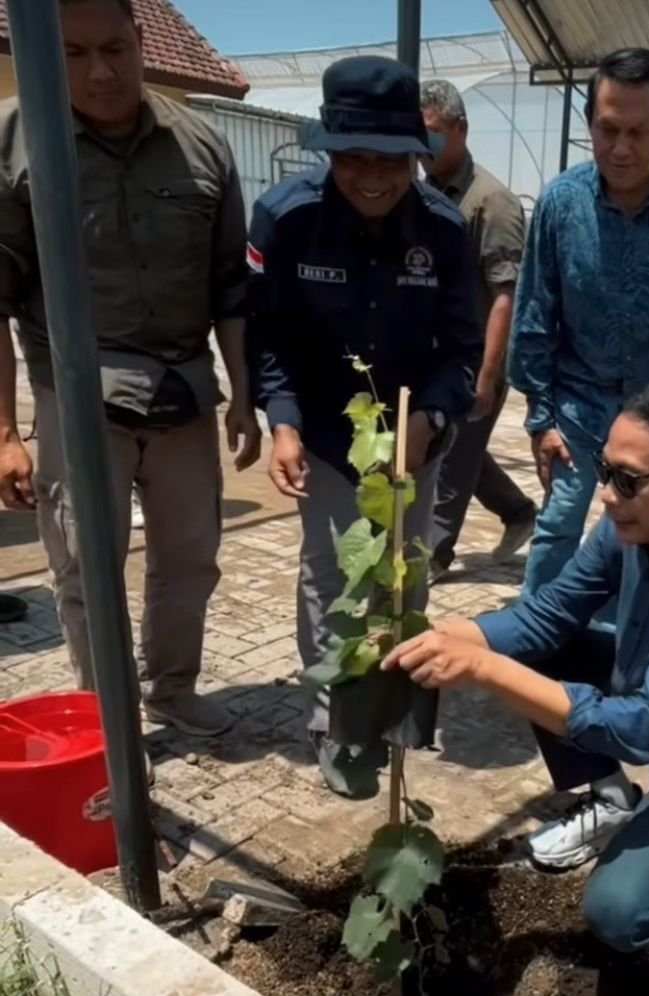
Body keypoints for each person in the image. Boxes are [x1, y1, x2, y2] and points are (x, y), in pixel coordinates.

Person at [383, 386, 649, 952]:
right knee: (541, 650)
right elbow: (549, 614)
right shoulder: (631, 521)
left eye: (628, 480)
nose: (606, 496)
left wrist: (485, 669)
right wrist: (438, 635)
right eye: (605, 471)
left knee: (620, 915)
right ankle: (615, 801)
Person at [0, 0, 260, 736]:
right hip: (76, 399)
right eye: (74, 54)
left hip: (182, 387)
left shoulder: (202, 145)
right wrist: (6, 433)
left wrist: (242, 393)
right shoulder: (17, 140)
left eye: (114, 47)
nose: (100, 71)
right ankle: (105, 719)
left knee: (189, 559)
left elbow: (229, 286)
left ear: (141, 40)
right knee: (86, 573)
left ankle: (171, 688)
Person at [247, 57, 481, 797]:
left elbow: (463, 348)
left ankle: (395, 708)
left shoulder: (444, 229)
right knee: (333, 576)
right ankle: (338, 725)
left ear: (418, 156)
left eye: (390, 161)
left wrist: (434, 418)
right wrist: (282, 423)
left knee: (403, 576)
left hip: (415, 438)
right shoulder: (286, 218)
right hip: (324, 434)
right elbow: (270, 338)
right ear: (327, 152)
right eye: (352, 159)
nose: (372, 178)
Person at [509, 48, 649, 596]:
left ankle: (629, 653)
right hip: (578, 408)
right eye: (606, 129)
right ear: (590, 122)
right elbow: (536, 315)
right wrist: (541, 419)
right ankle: (534, 646)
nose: (620, 148)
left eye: (638, 132)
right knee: (558, 529)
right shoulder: (561, 205)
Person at [419, 79, 537, 578]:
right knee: (454, 446)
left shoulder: (493, 203)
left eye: (435, 133)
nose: (426, 146)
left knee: (452, 456)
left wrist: (488, 375)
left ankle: (433, 554)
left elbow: (505, 296)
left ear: (462, 129)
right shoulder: (423, 194)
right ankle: (517, 511)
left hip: (478, 358)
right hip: (436, 354)